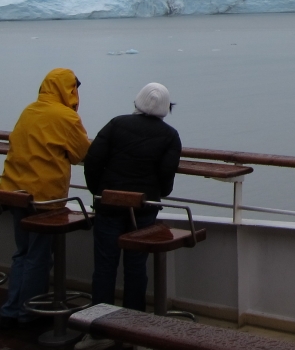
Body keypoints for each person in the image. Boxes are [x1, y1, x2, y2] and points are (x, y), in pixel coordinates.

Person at [0, 69, 91, 328]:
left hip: (15, 193)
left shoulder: (29, 110)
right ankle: (29, 315)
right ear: (69, 90)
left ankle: (10, 310)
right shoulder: (66, 117)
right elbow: (79, 154)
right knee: (39, 256)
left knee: (22, 252)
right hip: (44, 199)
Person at [83, 83, 181, 317]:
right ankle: (133, 323)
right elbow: (166, 178)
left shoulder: (116, 124)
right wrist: (157, 193)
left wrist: (99, 192)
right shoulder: (170, 135)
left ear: (137, 101)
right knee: (136, 266)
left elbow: (93, 161)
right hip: (144, 208)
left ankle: (99, 326)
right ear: (166, 107)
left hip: (109, 204)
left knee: (105, 266)